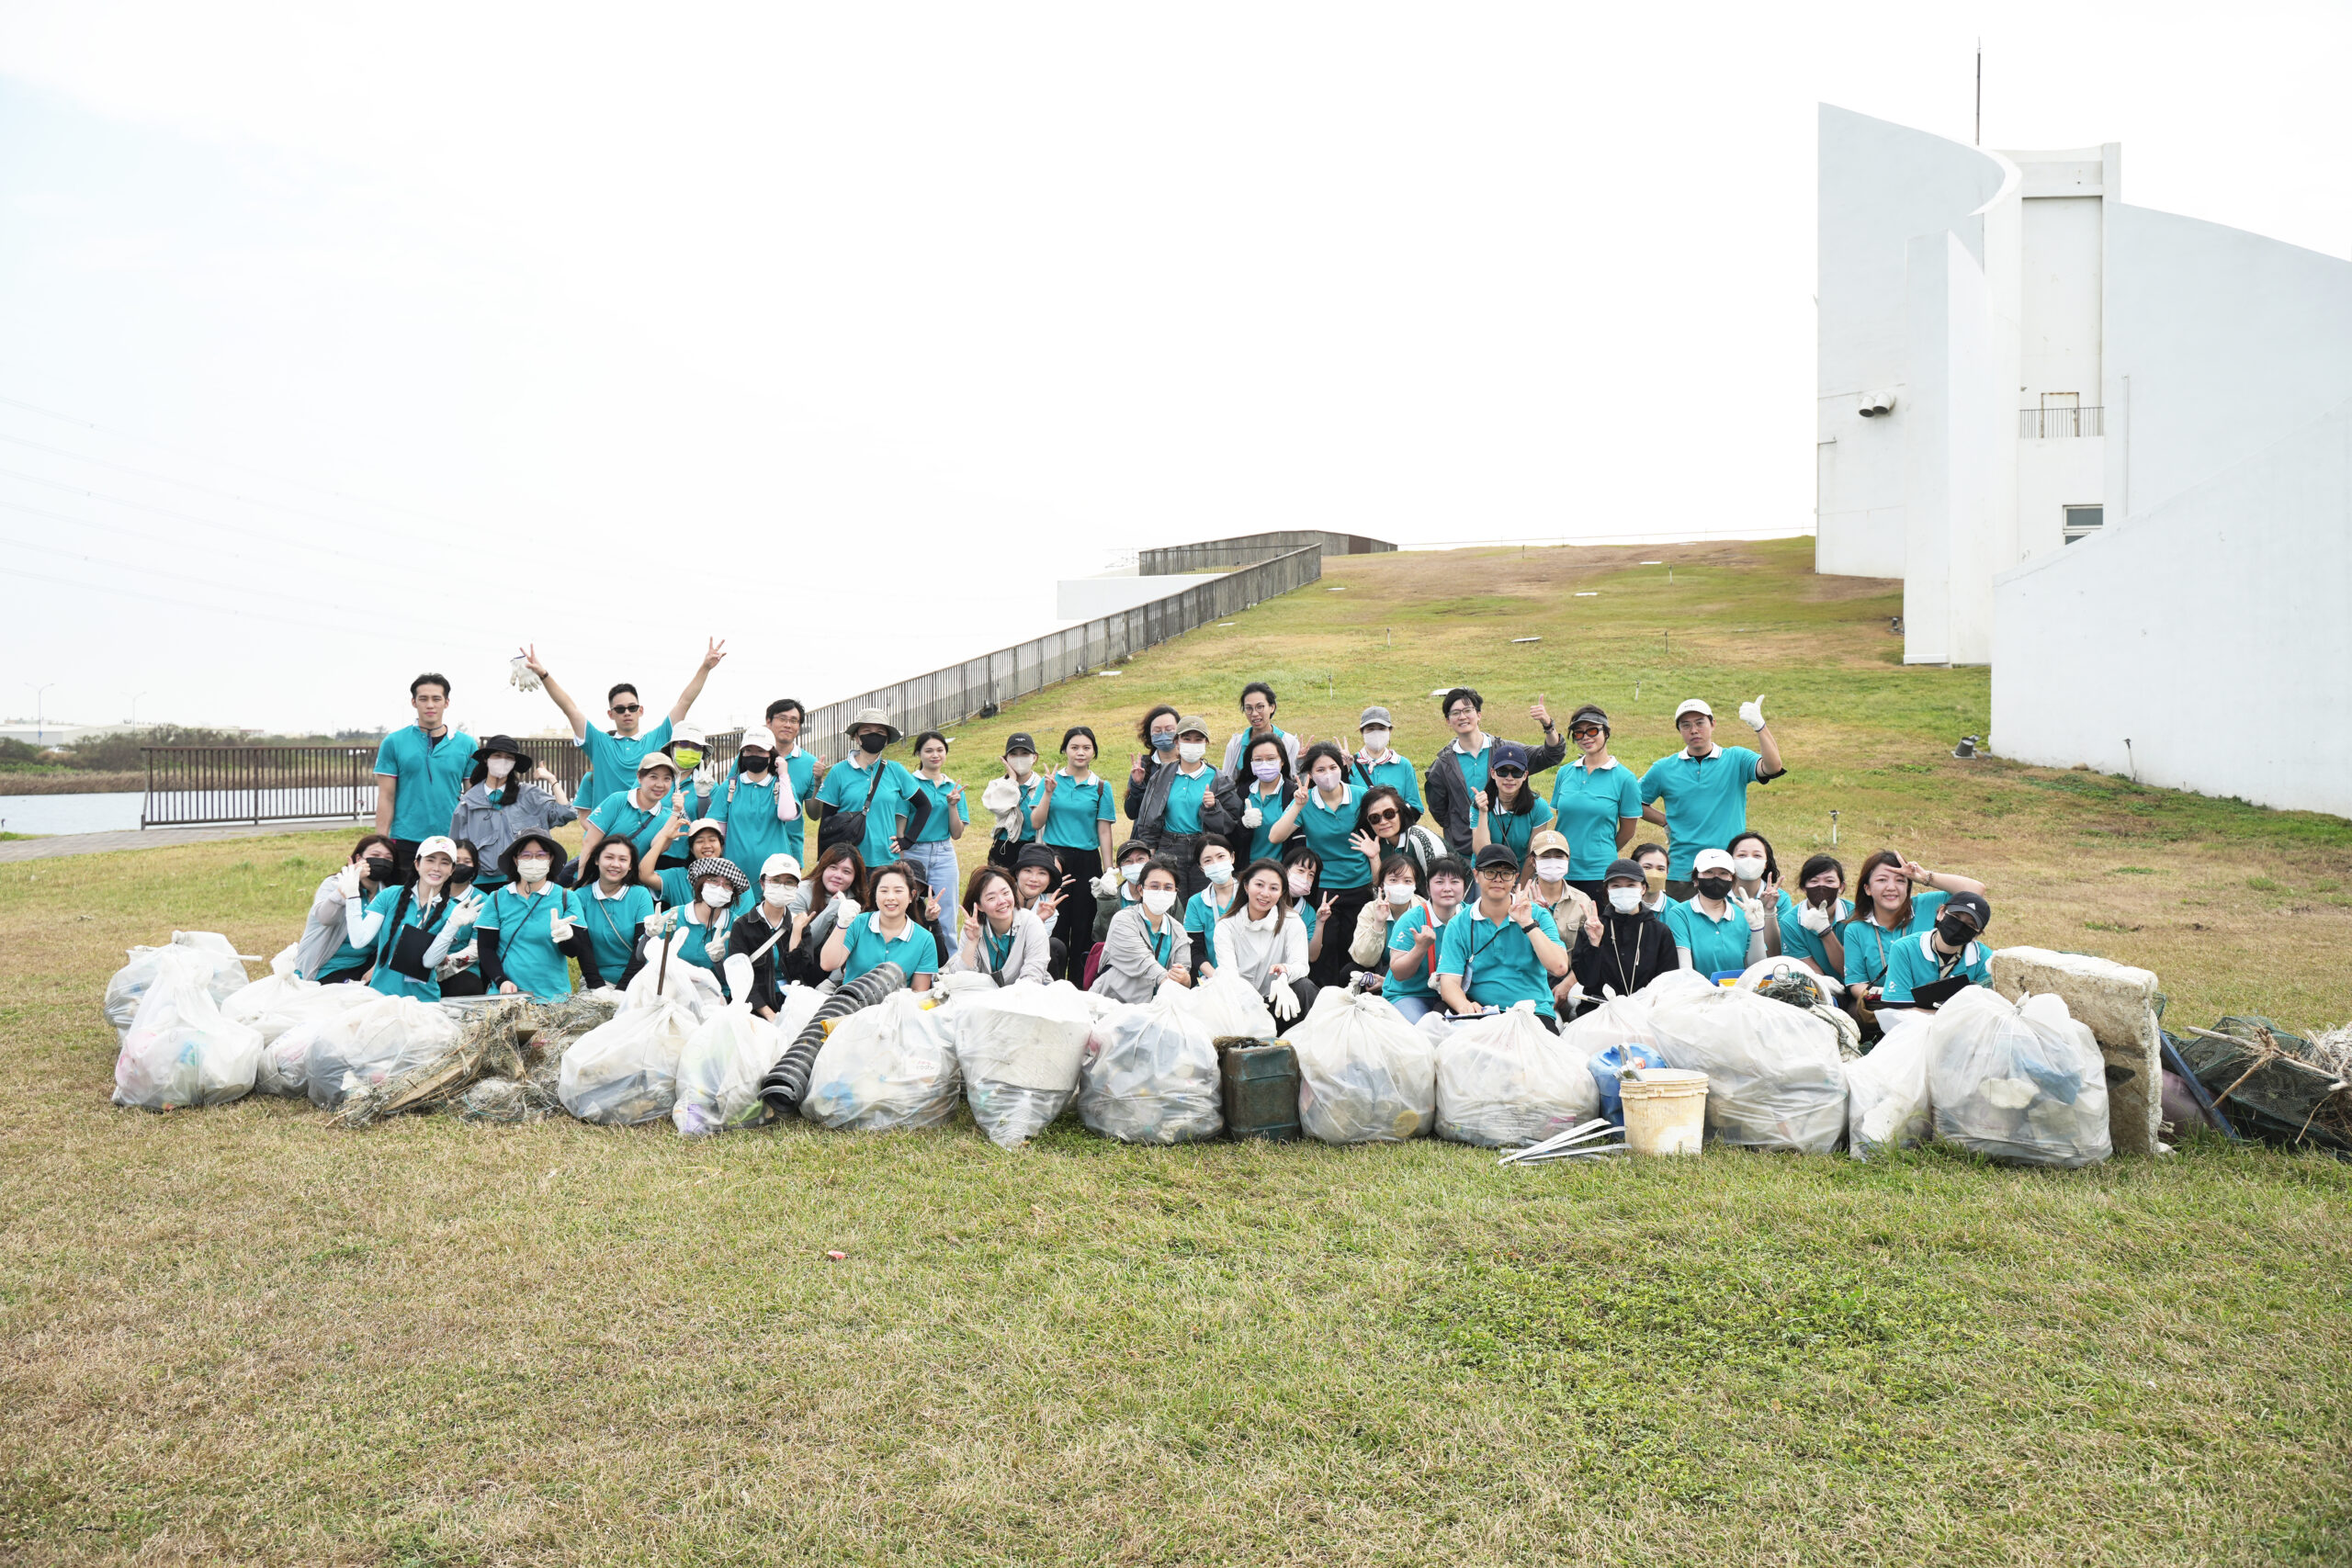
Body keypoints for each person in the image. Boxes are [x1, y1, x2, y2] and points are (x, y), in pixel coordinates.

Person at [515, 639, 724, 817]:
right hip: (609, 835)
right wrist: (544, 675)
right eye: (620, 709)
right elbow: (569, 708)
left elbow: (684, 702)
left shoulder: (657, 739)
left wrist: (705, 667)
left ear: (641, 710)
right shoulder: (599, 743)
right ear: (610, 713)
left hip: (649, 832)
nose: (627, 712)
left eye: (632, 707)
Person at [1639, 696, 1788, 898]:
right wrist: (1665, 821)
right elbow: (1634, 803)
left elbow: (1773, 767)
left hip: (1729, 869)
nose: (1694, 730)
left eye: (1700, 723)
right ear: (1679, 730)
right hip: (1683, 872)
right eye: (1686, 725)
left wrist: (1759, 726)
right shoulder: (1664, 768)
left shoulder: (1736, 758)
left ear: (1713, 724)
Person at [1269, 742, 1375, 987]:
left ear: (1341, 767)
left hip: (1360, 885)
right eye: (1320, 770)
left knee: (1357, 950)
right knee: (1325, 951)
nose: (1328, 774)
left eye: (1333, 767)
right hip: (1324, 889)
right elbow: (1275, 836)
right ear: (1310, 774)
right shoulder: (1306, 801)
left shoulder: (1360, 796)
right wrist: (1298, 805)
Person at [1420, 688, 1567, 858]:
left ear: (1479, 715)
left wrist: (1548, 725)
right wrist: (1460, 828)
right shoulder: (1443, 764)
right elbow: (1439, 809)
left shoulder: (1505, 751)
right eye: (1455, 713)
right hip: (1465, 854)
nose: (1462, 716)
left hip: (1509, 849)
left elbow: (1551, 755)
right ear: (1448, 720)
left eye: (1468, 710)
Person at [1434, 844, 1571, 1023]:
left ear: (1515, 878)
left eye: (1506, 873)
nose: (1498, 879)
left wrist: (1527, 924)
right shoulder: (1459, 924)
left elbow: (1559, 967)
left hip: (1531, 1011)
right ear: (1476, 875)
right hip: (1480, 1011)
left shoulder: (1538, 915)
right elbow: (1449, 983)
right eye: (1490, 872)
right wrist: (1465, 1006)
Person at [1841, 851, 1991, 1013]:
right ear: (1867, 888)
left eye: (1900, 880)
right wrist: (1891, 994)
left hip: (1936, 1004)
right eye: (1882, 880)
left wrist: (1924, 876)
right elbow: (1856, 983)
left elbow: (1975, 892)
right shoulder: (1855, 929)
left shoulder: (1925, 905)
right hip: (1884, 1003)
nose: (1891, 887)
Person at [371, 674, 477, 880]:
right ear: (414, 702)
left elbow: (473, 797)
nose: (430, 705)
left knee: (446, 897)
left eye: (436, 699)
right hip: (405, 838)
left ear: (446, 702)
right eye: (423, 699)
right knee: (404, 895)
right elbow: (386, 796)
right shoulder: (393, 742)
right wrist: (381, 841)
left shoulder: (467, 744)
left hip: (451, 838)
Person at [342, 834, 470, 1002]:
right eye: (430, 860)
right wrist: (352, 896)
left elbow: (429, 961)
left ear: (452, 870)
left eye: (444, 863)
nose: (436, 868)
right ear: (417, 864)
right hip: (381, 997)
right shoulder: (389, 895)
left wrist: (453, 925)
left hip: (423, 1002)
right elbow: (359, 941)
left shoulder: (454, 911)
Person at [1033, 725, 1118, 969]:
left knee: (1084, 925)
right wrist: (1048, 793)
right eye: (1075, 747)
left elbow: (1104, 830)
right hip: (1055, 860)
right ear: (1065, 750)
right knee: (1055, 921)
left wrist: (1109, 870)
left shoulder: (1101, 787)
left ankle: (1082, 983)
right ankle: (1051, 978)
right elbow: (1036, 822)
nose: (1080, 752)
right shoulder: (1050, 782)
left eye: (1086, 748)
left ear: (1094, 752)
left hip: (1087, 862)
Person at [476, 832, 598, 998]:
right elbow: (486, 949)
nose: (533, 860)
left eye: (541, 855)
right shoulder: (497, 898)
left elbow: (573, 951)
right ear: (516, 860)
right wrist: (501, 980)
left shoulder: (566, 898)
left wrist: (566, 937)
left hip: (553, 997)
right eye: (526, 855)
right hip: (507, 997)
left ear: (551, 859)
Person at [449, 734, 574, 894]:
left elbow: (565, 813)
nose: (502, 761)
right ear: (486, 759)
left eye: (509, 758)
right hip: (479, 885)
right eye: (497, 756)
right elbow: (455, 847)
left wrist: (552, 780)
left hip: (525, 881)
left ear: (515, 763)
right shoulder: (468, 802)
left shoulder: (529, 795)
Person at [1127, 714, 1230, 897]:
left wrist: (1214, 807)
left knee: (1205, 900)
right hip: (1170, 847)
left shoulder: (1218, 778)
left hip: (1204, 847)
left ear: (1206, 743)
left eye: (1198, 739)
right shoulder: (1161, 776)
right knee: (1170, 901)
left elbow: (1231, 823)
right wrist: (1149, 855)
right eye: (1186, 739)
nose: (1192, 743)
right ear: (1177, 742)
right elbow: (1148, 818)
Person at [1547, 704, 1644, 899]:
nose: (1586, 737)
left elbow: (1627, 832)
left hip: (1599, 873)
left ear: (1606, 732)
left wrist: (1600, 851)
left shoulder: (1625, 778)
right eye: (1579, 733)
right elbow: (1564, 818)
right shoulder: (1564, 773)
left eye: (1592, 730)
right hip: (1561, 870)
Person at [1211, 860, 1317, 1030]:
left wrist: (1285, 971)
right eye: (1259, 885)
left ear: (1282, 892)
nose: (1265, 893)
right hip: (1240, 1006)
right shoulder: (1226, 926)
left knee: (1304, 987)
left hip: (1279, 1002)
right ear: (1246, 886)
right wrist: (1249, 1002)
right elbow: (1229, 974)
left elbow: (1301, 965)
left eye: (1274, 888)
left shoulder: (1292, 921)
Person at [815, 708, 919, 872]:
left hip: (885, 861)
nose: (874, 735)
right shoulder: (838, 771)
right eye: (867, 731)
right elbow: (826, 823)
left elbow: (924, 805)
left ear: (886, 740)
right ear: (856, 737)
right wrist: (822, 861)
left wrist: (908, 840)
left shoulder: (896, 770)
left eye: (880, 732)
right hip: (847, 863)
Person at [1570, 858, 1679, 1001]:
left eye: (1631, 885)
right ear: (1607, 890)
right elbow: (1586, 980)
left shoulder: (1660, 932)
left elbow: (1668, 983)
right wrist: (1594, 945)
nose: (1624, 891)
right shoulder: (1592, 928)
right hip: (1600, 1008)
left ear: (1643, 888)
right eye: (1616, 886)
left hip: (1646, 1008)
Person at [820, 863, 937, 993]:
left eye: (898, 891)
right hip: (851, 1002)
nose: (890, 897)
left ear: (911, 895)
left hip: (898, 1005)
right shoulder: (858, 923)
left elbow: (919, 991)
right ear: (875, 895)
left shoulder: (925, 939)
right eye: (884, 891)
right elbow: (828, 964)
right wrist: (842, 924)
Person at [298, 834, 399, 983]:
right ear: (359, 859)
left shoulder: (389, 894)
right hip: (327, 966)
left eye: (388, 858)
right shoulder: (333, 883)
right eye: (375, 855)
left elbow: (395, 936)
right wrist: (348, 885)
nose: (382, 861)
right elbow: (325, 918)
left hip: (365, 964)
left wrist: (376, 968)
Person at [900, 730, 969, 949]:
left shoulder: (954, 788)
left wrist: (952, 805)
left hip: (944, 854)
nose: (935, 755)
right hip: (913, 852)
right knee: (907, 908)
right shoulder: (908, 784)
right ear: (918, 754)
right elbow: (900, 824)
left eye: (940, 750)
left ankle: (949, 962)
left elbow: (957, 834)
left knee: (946, 913)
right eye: (928, 750)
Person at [643, 855, 751, 994]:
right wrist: (648, 935)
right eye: (713, 880)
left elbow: (736, 982)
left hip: (713, 997)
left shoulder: (736, 926)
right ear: (701, 884)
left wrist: (718, 961)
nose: (720, 887)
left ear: (733, 893)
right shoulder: (673, 917)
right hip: (668, 992)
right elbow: (641, 957)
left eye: (727, 884)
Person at [1091, 857, 1193, 1003]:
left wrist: (1184, 979)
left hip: (1157, 1007)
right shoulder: (1123, 920)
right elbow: (1142, 961)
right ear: (1141, 890)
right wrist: (1168, 981)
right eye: (1154, 886)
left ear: (1175, 892)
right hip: (1114, 1004)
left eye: (1168, 887)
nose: (1161, 892)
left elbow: (1184, 974)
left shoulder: (1178, 931)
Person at [1380, 854, 1468, 1023]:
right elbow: (1398, 973)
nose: (1447, 888)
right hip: (1410, 994)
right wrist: (1420, 948)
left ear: (1464, 886)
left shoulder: (1471, 917)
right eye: (1439, 882)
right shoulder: (1411, 920)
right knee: (1420, 1030)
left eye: (1455, 882)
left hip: (1458, 994)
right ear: (1427, 888)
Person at [708, 731, 799, 888]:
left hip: (775, 877)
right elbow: (717, 832)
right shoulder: (729, 787)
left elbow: (787, 814)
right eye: (748, 750)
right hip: (734, 876)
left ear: (771, 755)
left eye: (760, 751)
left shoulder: (781, 786)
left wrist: (783, 775)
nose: (754, 755)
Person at [1521, 828, 1598, 1011]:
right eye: (1545, 856)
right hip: (1529, 980)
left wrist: (1567, 984)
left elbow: (1588, 954)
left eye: (1559, 856)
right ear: (1533, 860)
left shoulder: (1582, 901)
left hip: (1570, 979)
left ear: (1568, 859)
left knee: (1581, 1000)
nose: (1553, 862)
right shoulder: (1520, 901)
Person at [1878, 891, 1994, 1011]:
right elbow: (1898, 1007)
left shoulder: (1988, 960)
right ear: (1941, 912)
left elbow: (1984, 1012)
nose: (1959, 926)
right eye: (1956, 916)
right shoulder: (1904, 948)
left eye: (1970, 924)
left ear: (1977, 934)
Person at [1663, 847, 1769, 976]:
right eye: (1709, 872)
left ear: (1732, 880)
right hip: (1697, 987)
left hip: (1739, 987)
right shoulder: (1680, 914)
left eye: (1723, 873)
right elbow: (1684, 968)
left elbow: (1757, 968)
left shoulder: (1744, 914)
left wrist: (1757, 929)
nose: (1716, 878)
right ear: (1695, 880)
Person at [724, 854, 803, 1019]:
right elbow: (740, 978)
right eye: (775, 880)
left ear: (796, 887)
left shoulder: (800, 923)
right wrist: (769, 1015)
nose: (782, 887)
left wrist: (796, 934)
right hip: (753, 1009)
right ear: (762, 883)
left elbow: (801, 972)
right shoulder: (743, 925)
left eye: (789, 882)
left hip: (792, 1005)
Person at [574, 835, 658, 992]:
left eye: (623, 859)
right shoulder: (580, 897)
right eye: (609, 857)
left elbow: (642, 946)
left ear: (630, 866)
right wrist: (597, 987)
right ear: (597, 860)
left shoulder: (640, 895)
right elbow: (583, 949)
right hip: (596, 980)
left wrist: (622, 989)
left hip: (638, 979)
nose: (615, 864)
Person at [949, 864, 1054, 987]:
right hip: (985, 995)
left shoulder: (1032, 923)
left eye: (1005, 893)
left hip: (1027, 994)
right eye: (991, 898)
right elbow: (960, 979)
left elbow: (1033, 977)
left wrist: (1004, 997)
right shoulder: (973, 928)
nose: (1002, 901)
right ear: (979, 906)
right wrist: (972, 943)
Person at [581, 752, 687, 865]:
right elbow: (589, 844)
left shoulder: (668, 817)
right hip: (597, 872)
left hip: (631, 876)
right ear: (639, 778)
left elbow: (658, 849)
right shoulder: (617, 801)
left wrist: (676, 812)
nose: (660, 785)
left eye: (667, 779)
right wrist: (583, 876)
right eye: (653, 777)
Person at [785, 845, 868, 986]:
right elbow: (803, 946)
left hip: (839, 969)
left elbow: (854, 950)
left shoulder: (858, 901)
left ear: (855, 877)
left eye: (846, 871)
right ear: (823, 868)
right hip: (803, 963)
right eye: (833, 867)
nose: (838, 875)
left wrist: (830, 983)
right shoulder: (801, 892)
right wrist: (832, 909)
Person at [762, 697, 827, 865]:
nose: (788, 725)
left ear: (799, 727)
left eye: (794, 721)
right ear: (768, 722)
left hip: (789, 852)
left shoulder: (810, 763)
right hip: (752, 847)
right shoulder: (750, 755)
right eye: (782, 719)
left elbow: (814, 815)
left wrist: (818, 781)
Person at [1467, 740, 1556, 863]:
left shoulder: (1539, 807)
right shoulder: (1480, 804)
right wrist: (1483, 812)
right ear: (1493, 773)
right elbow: (1482, 853)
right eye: (1503, 772)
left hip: (1522, 870)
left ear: (1525, 775)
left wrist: (1520, 876)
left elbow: (1532, 856)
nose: (1509, 778)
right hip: (1486, 870)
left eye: (1516, 773)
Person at [1348, 852, 1425, 991]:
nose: (1400, 886)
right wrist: (1378, 923)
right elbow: (1364, 959)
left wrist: (1388, 982)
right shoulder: (1370, 909)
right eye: (1394, 880)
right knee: (1349, 972)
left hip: (1411, 973)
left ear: (1415, 885)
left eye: (1407, 881)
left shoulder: (1424, 910)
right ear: (1382, 884)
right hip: (1377, 969)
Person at [1219, 731, 1298, 868]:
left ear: (1282, 761)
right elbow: (1231, 840)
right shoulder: (1243, 792)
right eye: (1258, 759)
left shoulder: (1293, 794)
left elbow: (1298, 841)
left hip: (1281, 871)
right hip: (1247, 870)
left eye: (1271, 758)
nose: (1264, 764)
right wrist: (1243, 825)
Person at [1350, 784, 1444, 886]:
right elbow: (1382, 889)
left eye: (1389, 814)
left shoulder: (1420, 838)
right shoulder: (1380, 844)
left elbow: (1443, 886)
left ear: (1401, 812)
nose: (1383, 822)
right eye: (1375, 818)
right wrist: (1374, 858)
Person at [1781, 854, 1853, 979]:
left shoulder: (1855, 915)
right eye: (1814, 881)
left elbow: (1850, 969)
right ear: (1804, 888)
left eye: (1829, 881)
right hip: (1816, 987)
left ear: (1841, 887)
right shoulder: (1790, 922)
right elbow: (1809, 969)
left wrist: (1825, 931)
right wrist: (1822, 983)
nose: (1821, 887)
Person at [1727, 829, 1795, 960]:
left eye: (1757, 855)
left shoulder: (1780, 898)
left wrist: (1769, 910)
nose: (1749, 860)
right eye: (1742, 855)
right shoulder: (1718, 895)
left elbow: (1776, 953)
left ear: (1766, 864)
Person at [1010, 842, 1076, 978]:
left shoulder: (1049, 911)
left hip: (1029, 965)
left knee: (1054, 946)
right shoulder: (1002, 898)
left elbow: (1035, 950)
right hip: (996, 962)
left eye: (1042, 873)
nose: (1034, 879)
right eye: (1028, 871)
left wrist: (1038, 921)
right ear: (1017, 873)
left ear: (1049, 879)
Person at [1182, 835, 1244, 973]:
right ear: (1201, 868)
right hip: (1214, 977)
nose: (1216, 864)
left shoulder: (1249, 894)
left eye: (1221, 856)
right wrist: (1216, 977)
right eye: (1207, 860)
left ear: (1232, 857)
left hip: (1251, 976)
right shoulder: (1196, 902)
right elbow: (1195, 951)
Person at [642, 812, 730, 908]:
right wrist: (665, 837)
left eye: (712, 840)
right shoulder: (677, 877)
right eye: (700, 841)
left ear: (721, 845)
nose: (707, 846)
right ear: (691, 849)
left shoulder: (733, 877)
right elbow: (644, 876)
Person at [986, 733, 1047, 869]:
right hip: (1004, 848)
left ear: (1034, 757)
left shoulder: (1044, 786)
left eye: (1025, 753)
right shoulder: (997, 785)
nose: (1019, 758)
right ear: (1006, 759)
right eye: (1013, 754)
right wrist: (1012, 780)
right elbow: (999, 808)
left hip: (1034, 848)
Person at [436, 842, 489, 997]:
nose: (461, 866)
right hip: (424, 965)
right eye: (456, 861)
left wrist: (445, 962)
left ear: (476, 866)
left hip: (462, 968)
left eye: (467, 862)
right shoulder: (431, 892)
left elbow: (476, 949)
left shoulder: (483, 901)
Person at [1349, 706, 1424, 812]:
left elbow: (1415, 807)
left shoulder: (1403, 765)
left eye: (1382, 728)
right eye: (1371, 729)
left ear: (1390, 731)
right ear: (1362, 732)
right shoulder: (1350, 765)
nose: (1376, 733)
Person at [1219, 682, 1303, 776]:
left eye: (1260, 707)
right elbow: (1226, 780)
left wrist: (1301, 764)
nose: (1254, 713)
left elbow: (1297, 780)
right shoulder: (1235, 745)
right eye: (1249, 708)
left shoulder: (1290, 743)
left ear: (1272, 707)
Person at [1091, 838, 1156, 944]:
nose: (1135, 864)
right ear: (1120, 869)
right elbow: (1101, 937)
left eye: (1140, 859)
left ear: (1150, 861)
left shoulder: (1164, 892)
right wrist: (1106, 900)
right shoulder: (1112, 897)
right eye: (1128, 861)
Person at [1282, 847, 1337, 971]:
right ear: (1285, 870)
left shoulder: (1309, 912)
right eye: (1301, 870)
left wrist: (1320, 922)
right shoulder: (1268, 899)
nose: (1305, 878)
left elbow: (1312, 956)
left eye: (1311, 875)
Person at [1126, 704, 1182, 816]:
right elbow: (1132, 813)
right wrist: (1137, 786)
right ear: (1150, 733)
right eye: (1157, 730)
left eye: (1169, 729)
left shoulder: (1189, 765)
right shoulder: (1142, 766)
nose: (1163, 734)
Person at [1631, 841, 1673, 916]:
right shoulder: (1620, 906)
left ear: (1667, 872)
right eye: (1647, 867)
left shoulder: (1676, 910)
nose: (1654, 875)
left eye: (1660, 869)